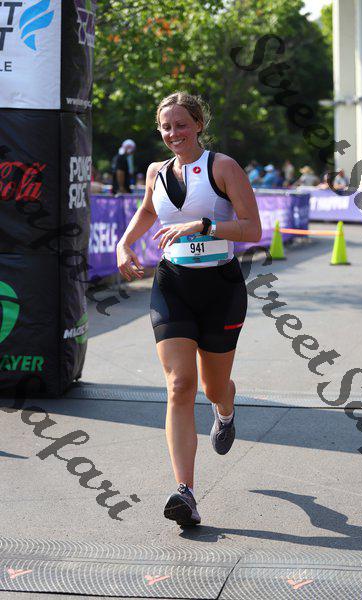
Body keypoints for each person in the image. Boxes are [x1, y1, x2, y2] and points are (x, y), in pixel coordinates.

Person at [116, 91, 261, 527]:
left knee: (213, 388)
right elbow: (147, 211)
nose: (173, 133)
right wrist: (125, 243)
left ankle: (225, 409)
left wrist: (205, 225)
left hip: (220, 288)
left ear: (198, 124)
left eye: (181, 124)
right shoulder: (155, 172)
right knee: (180, 384)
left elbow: (252, 229)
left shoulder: (223, 167)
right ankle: (186, 493)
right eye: (166, 127)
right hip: (173, 284)